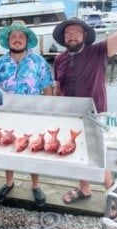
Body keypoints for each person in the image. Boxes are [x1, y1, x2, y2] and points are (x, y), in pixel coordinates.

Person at [52, 17, 117, 209]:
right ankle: (84, 189)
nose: (71, 36)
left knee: (102, 156)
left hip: (96, 115)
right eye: (67, 33)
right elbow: (57, 87)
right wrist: (56, 110)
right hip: (71, 116)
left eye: (75, 32)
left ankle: (112, 197)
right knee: (79, 152)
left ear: (84, 35)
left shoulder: (99, 51)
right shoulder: (59, 59)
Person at [0, 21, 53, 207]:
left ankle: (35, 185)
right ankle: (9, 182)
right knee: (8, 148)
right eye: (13, 37)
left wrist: (49, 112)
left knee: (34, 148)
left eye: (21, 37)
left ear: (27, 40)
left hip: (33, 114)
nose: (17, 40)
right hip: (6, 114)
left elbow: (47, 87)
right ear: (8, 41)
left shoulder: (39, 61)